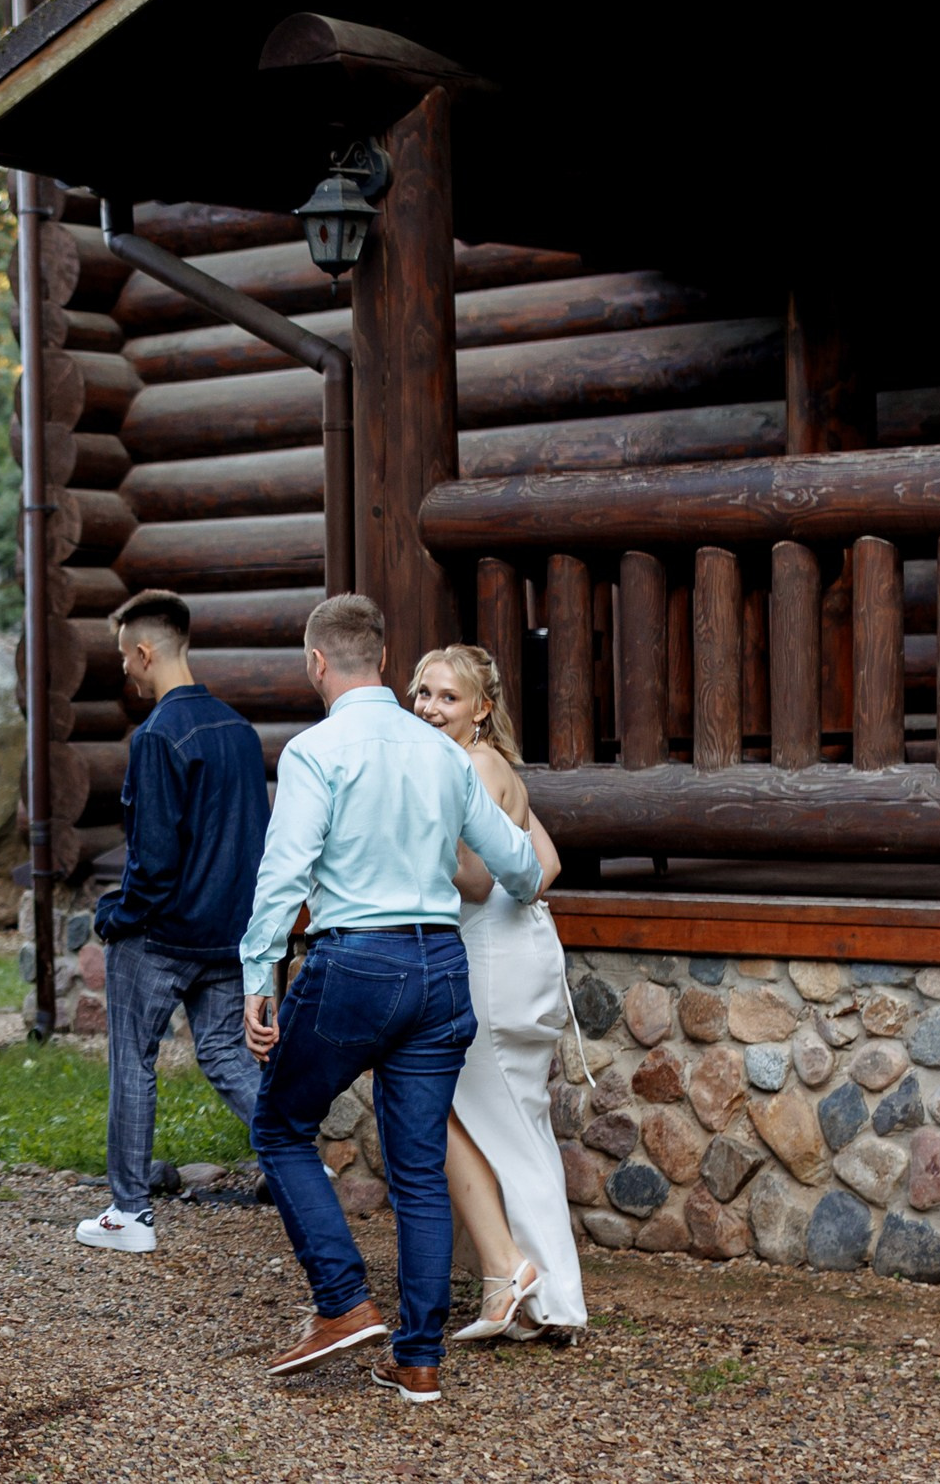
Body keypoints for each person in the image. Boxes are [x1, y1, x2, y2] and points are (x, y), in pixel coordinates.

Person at [241, 595, 556, 1404]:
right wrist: (522, 879)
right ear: (382, 661)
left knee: (279, 1123)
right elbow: (518, 867)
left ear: (317, 663)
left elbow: (283, 874)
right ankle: (418, 1357)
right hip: (441, 965)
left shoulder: (316, 751)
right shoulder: (442, 754)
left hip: (358, 964)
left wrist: (258, 976)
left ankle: (344, 1300)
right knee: (419, 1168)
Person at [74, 589, 268, 1255]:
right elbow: (250, 840)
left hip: (160, 936)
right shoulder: (240, 732)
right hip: (227, 932)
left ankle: (129, 1213)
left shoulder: (157, 735)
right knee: (224, 1054)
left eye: (125, 658)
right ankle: (299, 1163)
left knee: (133, 1059)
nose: (124, 672)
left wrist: (113, 914)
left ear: (145, 651)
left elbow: (152, 861)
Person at [408, 645, 587, 1341]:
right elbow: (547, 864)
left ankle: (545, 1297)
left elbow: (478, 880)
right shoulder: (495, 765)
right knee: (518, 1121)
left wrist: (408, 842)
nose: (428, 706)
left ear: (482, 708)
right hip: (523, 947)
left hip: (489, 959)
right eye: (421, 692)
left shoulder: (475, 766)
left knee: (501, 1124)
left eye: (447, 696)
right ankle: (547, 1297)